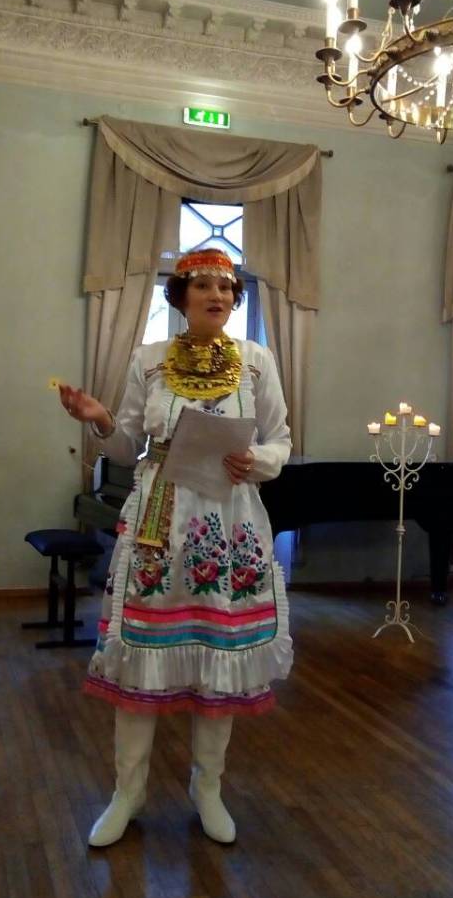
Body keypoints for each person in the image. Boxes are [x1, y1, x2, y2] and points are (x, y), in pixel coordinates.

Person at [58, 248, 292, 846]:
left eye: (227, 287)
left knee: (219, 651)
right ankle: (127, 793)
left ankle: (207, 788)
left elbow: (281, 440)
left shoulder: (257, 360)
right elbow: (126, 444)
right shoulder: (149, 359)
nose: (218, 296)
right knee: (140, 647)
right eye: (204, 286)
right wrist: (100, 419)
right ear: (181, 296)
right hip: (160, 517)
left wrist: (256, 460)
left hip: (229, 518)